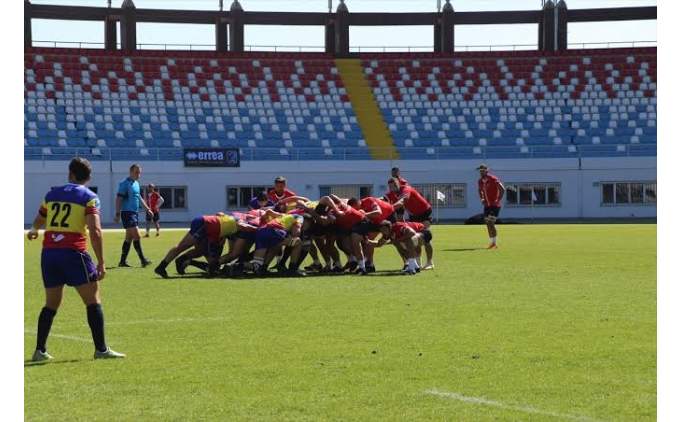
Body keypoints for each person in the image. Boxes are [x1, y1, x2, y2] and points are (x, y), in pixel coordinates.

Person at [27, 157, 125, 362]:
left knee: (51, 304)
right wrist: (101, 261)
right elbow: (95, 230)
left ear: (70, 174)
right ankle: (101, 349)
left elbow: (40, 217)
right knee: (93, 301)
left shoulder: (52, 194)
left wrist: (34, 229)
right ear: (88, 177)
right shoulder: (89, 197)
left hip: (49, 254)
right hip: (73, 253)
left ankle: (39, 350)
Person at [154, 213, 257, 278]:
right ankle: (161, 267)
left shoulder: (234, 219)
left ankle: (182, 260)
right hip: (204, 225)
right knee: (182, 246)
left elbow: (220, 216)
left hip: (207, 227)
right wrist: (258, 228)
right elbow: (243, 225)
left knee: (201, 251)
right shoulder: (240, 221)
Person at [114, 164, 153, 267]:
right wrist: (117, 213)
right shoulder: (124, 184)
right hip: (127, 213)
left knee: (129, 238)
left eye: (139, 173)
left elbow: (139, 197)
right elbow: (119, 199)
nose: (138, 175)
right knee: (137, 235)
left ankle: (122, 262)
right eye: (136, 172)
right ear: (130, 172)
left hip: (134, 213)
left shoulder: (136, 184)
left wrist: (147, 209)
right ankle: (143, 260)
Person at [477, 164, 505, 249]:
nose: (481, 172)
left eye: (482, 170)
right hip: (487, 205)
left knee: (491, 223)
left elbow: (502, 189)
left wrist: (498, 199)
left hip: (495, 205)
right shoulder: (480, 181)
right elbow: (479, 190)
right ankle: (491, 242)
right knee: (488, 223)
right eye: (480, 171)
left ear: (487, 170)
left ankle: (494, 243)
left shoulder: (493, 179)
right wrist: (482, 198)